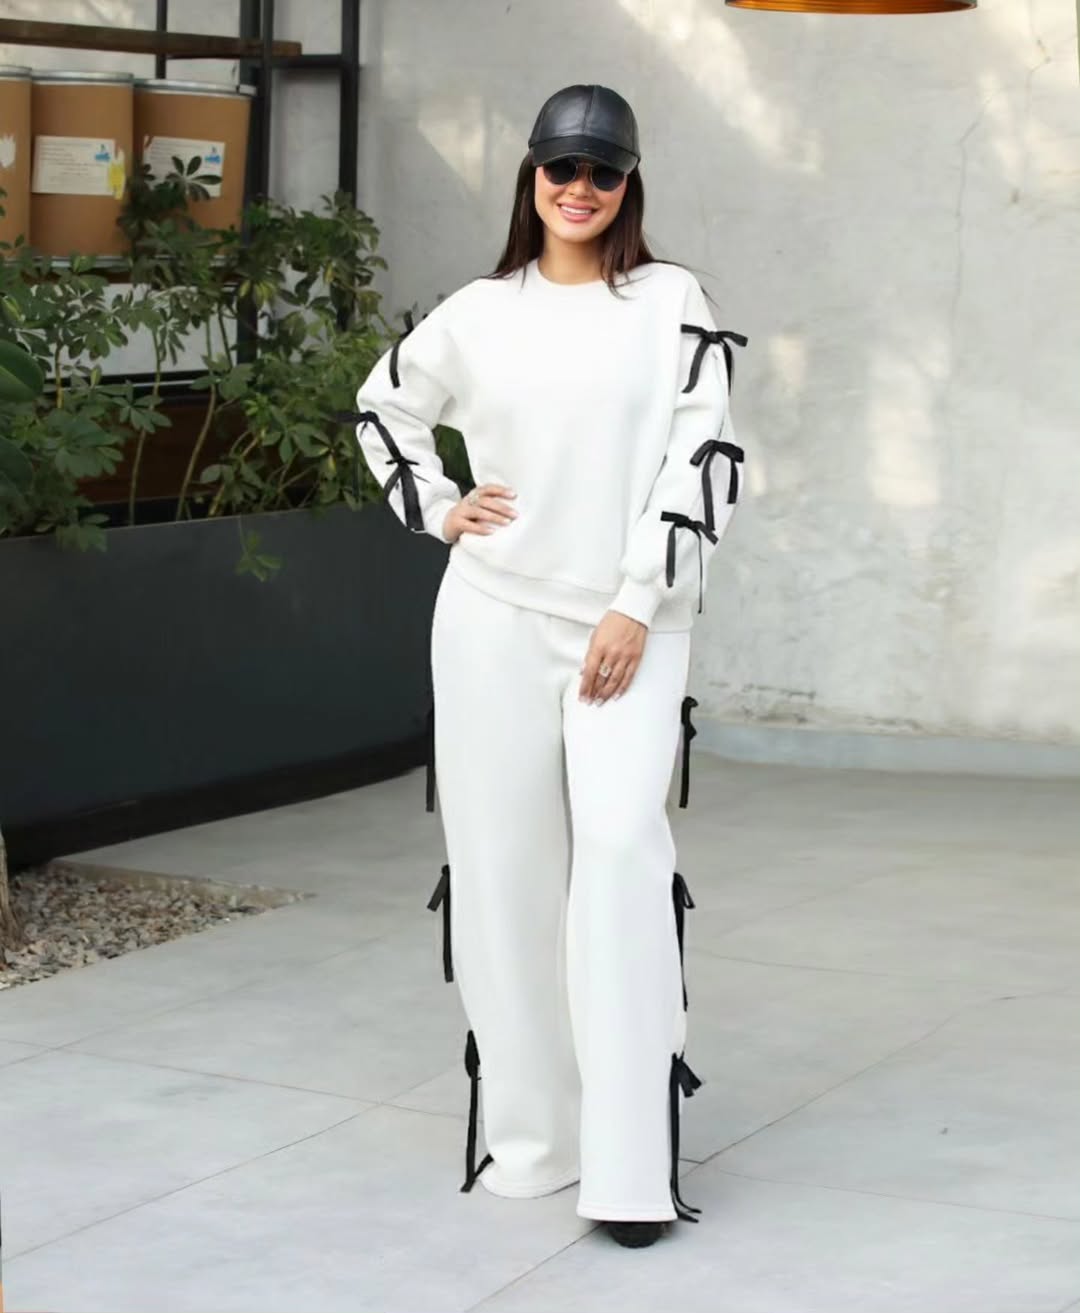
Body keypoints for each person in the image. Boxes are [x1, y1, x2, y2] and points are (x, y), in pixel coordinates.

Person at [354, 83, 747, 1249]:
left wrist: (637, 600)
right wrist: (438, 505)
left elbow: (704, 454)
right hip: (491, 615)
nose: (581, 189)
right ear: (531, 177)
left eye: (603, 171)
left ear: (630, 184)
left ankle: (628, 1167)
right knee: (501, 874)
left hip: (630, 628)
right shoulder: (479, 312)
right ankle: (536, 1140)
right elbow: (383, 407)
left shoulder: (672, 303)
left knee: (620, 857)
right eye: (561, 168)